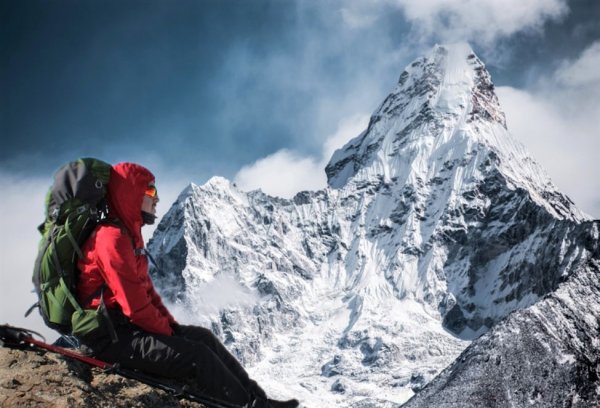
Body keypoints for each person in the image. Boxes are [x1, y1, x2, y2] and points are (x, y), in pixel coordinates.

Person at [76, 162, 299, 408]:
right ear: (131, 194)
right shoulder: (112, 238)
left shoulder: (129, 234)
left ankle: (260, 401)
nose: (157, 198)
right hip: (110, 338)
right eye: (150, 192)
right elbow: (135, 306)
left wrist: (171, 327)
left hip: (127, 329)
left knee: (204, 338)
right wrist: (169, 334)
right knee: (198, 356)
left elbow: (146, 291)